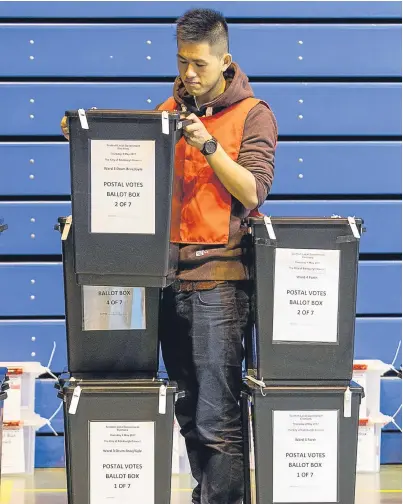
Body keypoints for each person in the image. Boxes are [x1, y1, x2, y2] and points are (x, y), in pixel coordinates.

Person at [61, 8, 277, 504]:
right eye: (182, 62)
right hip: (168, 282)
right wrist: (86, 140)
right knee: (186, 411)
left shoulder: (254, 113)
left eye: (199, 64)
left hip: (219, 285)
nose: (189, 74)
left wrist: (208, 147)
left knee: (216, 418)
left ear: (226, 62)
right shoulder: (171, 109)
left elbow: (253, 192)